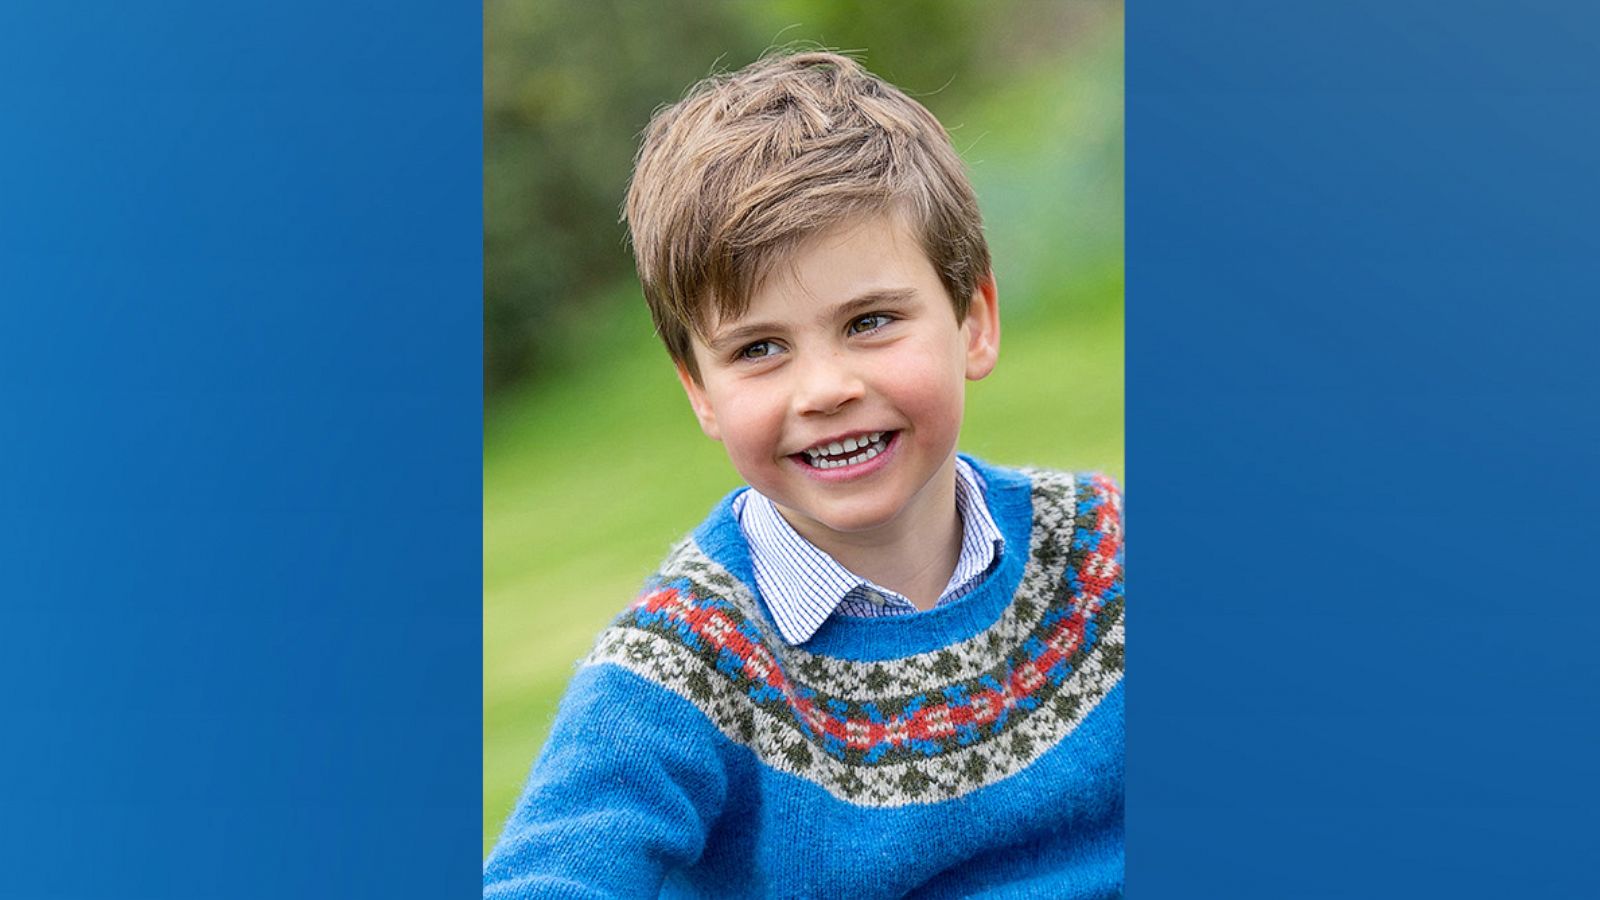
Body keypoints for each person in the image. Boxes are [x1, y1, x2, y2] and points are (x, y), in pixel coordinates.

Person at [484, 50, 1123, 898]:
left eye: (869, 322)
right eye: (759, 349)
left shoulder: (1104, 548)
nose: (824, 390)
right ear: (699, 392)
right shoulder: (681, 669)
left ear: (974, 320)